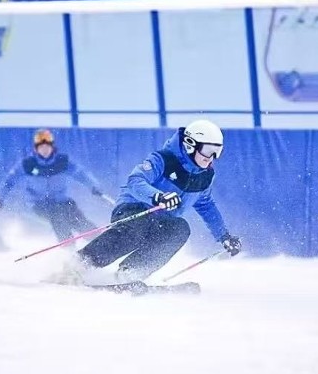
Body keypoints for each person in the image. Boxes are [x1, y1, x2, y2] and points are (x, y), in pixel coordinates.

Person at [74, 119, 241, 289]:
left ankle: (131, 272)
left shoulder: (204, 176)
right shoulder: (164, 159)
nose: (211, 157)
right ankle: (83, 263)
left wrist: (224, 237)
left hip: (162, 220)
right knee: (138, 227)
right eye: (208, 150)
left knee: (180, 229)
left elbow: (206, 205)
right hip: (134, 209)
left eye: (217, 152)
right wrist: (157, 197)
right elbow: (135, 180)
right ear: (190, 144)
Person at [0, 128, 109, 242]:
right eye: (41, 147)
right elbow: (9, 182)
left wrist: (94, 186)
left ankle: (100, 241)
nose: (45, 150)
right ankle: (68, 246)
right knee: (57, 215)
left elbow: (81, 174)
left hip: (62, 201)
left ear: (52, 147)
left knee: (75, 215)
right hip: (39, 204)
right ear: (36, 149)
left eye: (47, 147)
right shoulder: (28, 164)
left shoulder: (61, 162)